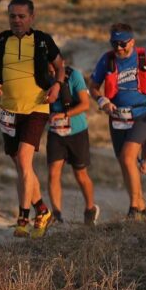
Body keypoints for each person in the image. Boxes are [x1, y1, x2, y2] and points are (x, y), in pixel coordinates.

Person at [0, 0, 64, 238]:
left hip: (36, 108)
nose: (16, 20)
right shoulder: (0, 40)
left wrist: (57, 86)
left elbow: (60, 66)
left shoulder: (42, 40)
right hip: (8, 110)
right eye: (12, 16)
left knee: (24, 160)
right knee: (21, 165)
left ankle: (22, 219)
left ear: (32, 17)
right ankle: (43, 210)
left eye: (21, 16)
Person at [89, 23, 146, 218]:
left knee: (128, 156)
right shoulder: (107, 60)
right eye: (114, 44)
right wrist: (102, 101)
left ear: (132, 41)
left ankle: (134, 207)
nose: (118, 48)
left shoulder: (144, 56)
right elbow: (93, 86)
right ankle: (142, 207)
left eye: (122, 44)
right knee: (124, 162)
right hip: (117, 117)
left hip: (142, 114)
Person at [45, 61, 98, 226]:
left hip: (77, 131)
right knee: (53, 172)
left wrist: (63, 115)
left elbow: (85, 104)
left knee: (80, 174)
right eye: (49, 70)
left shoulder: (74, 76)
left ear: (61, 65)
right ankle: (57, 214)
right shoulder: (43, 77)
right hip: (55, 132)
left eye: (54, 69)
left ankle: (90, 209)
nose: (52, 73)